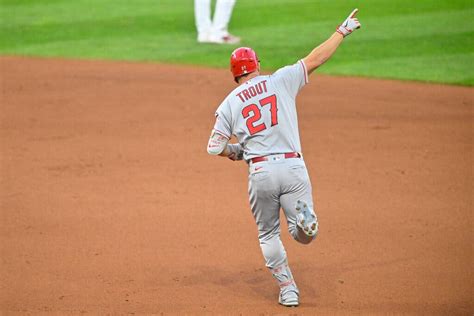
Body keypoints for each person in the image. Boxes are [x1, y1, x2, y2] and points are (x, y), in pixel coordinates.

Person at [207, 9, 361, 307]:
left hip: (261, 172)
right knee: (302, 235)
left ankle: (288, 289)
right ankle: (303, 224)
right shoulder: (281, 80)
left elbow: (214, 147)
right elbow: (316, 58)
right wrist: (343, 30)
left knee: (267, 234)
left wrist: (237, 151)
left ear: (234, 73)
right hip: (293, 166)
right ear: (257, 66)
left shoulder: (228, 104)